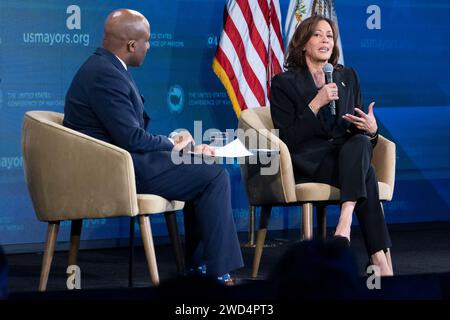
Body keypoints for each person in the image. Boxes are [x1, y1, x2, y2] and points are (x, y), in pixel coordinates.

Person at [63, 9, 243, 284]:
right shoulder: (105, 75)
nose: (149, 46)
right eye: (147, 41)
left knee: (203, 169)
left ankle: (201, 267)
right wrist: (172, 144)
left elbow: (128, 134)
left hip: (120, 160)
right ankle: (217, 271)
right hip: (115, 169)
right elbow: (131, 138)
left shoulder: (105, 67)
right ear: (131, 45)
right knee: (212, 174)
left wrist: (178, 149)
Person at [270, 15, 393, 276]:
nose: (326, 39)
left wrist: (372, 130)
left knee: (360, 141)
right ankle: (378, 258)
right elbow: (288, 138)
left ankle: (345, 222)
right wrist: (316, 103)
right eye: (318, 34)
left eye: (329, 35)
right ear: (303, 43)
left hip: (348, 153)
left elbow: (358, 128)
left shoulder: (347, 76)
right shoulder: (284, 83)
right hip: (309, 160)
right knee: (366, 174)